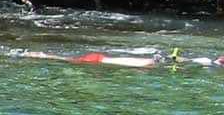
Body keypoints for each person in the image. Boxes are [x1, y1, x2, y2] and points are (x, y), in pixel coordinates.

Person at [13, 49, 164, 67]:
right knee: (67, 60)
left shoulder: (146, 63)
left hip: (98, 58)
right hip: (96, 60)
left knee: (67, 59)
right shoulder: (146, 64)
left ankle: (43, 55)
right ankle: (43, 55)